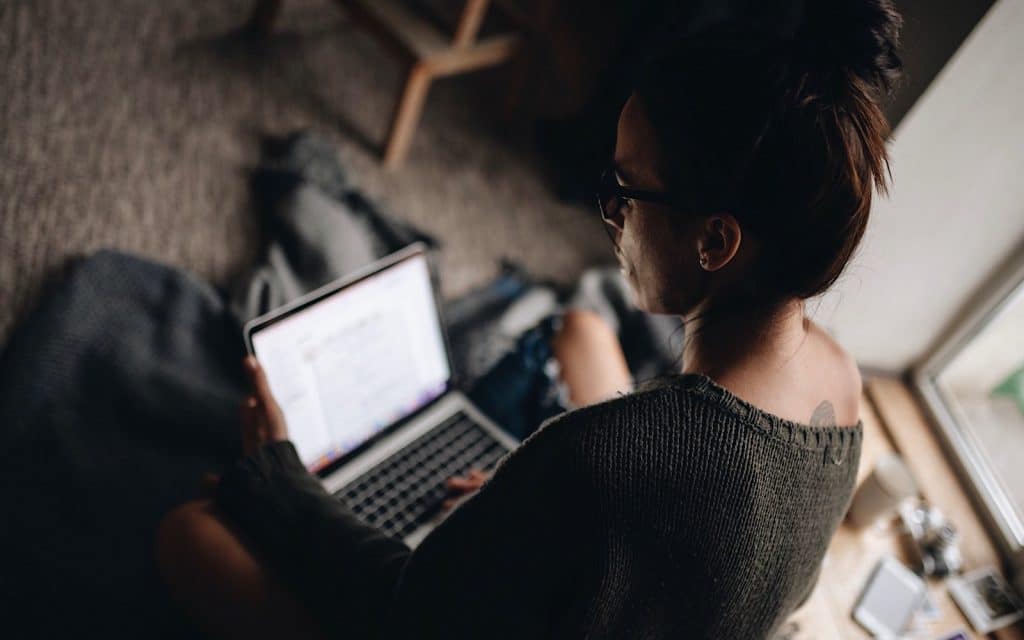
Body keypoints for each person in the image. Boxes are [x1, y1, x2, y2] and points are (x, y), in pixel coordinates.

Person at [156, 1, 903, 637]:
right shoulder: (839, 383)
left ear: (716, 240)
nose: (608, 215)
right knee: (581, 331)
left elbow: (405, 609)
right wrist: (534, 523)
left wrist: (278, 478)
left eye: (624, 189)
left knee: (189, 535)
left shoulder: (601, 459)